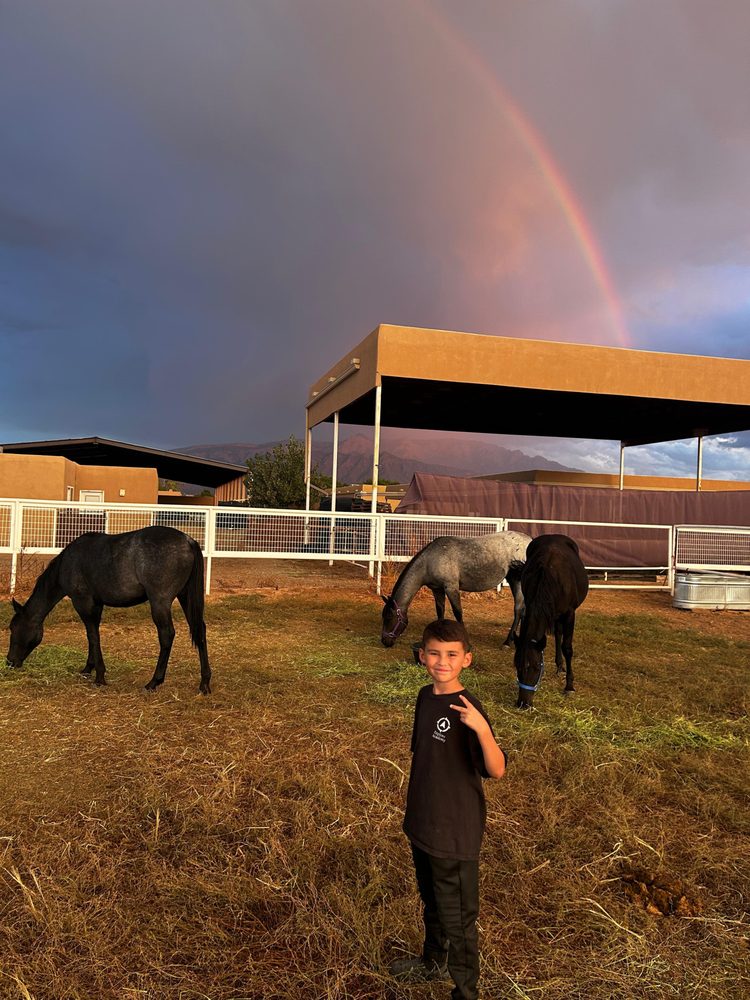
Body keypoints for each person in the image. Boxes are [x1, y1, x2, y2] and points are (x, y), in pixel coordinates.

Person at [389, 618, 506, 1000]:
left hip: (454, 831)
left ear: (466, 660)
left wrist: (483, 730)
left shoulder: (468, 709)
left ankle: (465, 991)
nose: (442, 661)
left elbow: (497, 769)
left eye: (452, 655)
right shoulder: (425, 697)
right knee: (433, 901)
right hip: (423, 821)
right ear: (422, 656)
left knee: (459, 918)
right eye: (435, 654)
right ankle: (432, 961)